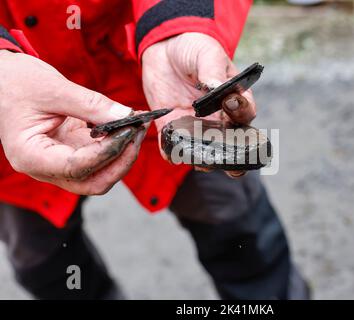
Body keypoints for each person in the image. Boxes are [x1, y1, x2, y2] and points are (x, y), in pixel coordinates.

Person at [0, 0, 310, 299]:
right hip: (14, 119)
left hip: (163, 86)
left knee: (239, 232)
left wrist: (179, 20)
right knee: (47, 265)